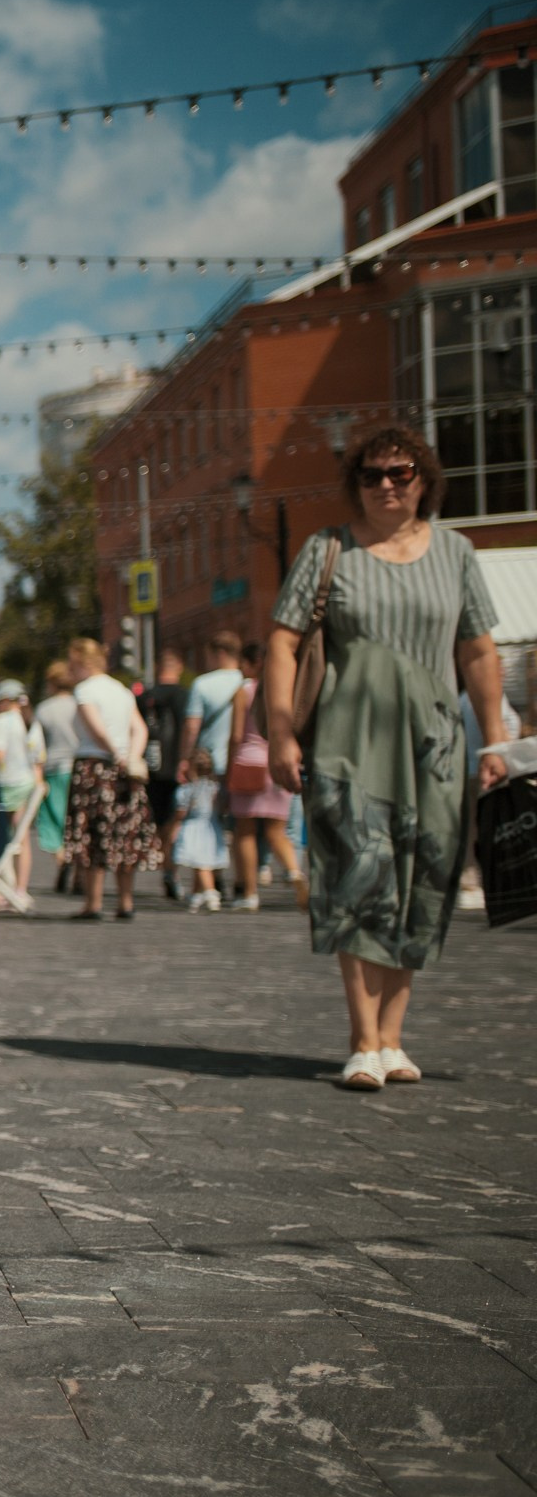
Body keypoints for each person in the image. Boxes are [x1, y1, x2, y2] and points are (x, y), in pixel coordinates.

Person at [263, 425, 507, 1092]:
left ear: (425, 479)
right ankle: (362, 1038)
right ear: (356, 484)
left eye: (401, 473)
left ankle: (394, 1037)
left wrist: (495, 737)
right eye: (372, 475)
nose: (387, 485)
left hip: (434, 746)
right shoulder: (328, 549)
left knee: (426, 879)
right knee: (358, 876)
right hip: (348, 742)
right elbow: (283, 643)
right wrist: (282, 733)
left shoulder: (455, 552)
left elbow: (479, 652)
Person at [63, 636, 156, 919]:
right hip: (125, 771)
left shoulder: (84, 691)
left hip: (94, 767)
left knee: (94, 834)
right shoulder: (122, 691)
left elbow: (97, 730)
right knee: (124, 834)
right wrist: (131, 757)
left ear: (81, 662)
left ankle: (94, 902)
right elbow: (140, 729)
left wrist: (114, 752)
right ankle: (125, 901)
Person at [222, 652, 303, 914]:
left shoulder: (244, 691)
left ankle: (249, 893)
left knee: (244, 832)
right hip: (278, 762)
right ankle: (295, 873)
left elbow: (235, 735)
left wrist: (229, 767)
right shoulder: (288, 691)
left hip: (248, 763)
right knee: (277, 832)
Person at [0, 678, 46, 906]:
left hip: (6, 784)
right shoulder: (31, 722)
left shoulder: (2, 721)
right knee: (22, 840)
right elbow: (38, 759)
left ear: (5, 700)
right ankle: (20, 888)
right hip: (27, 784)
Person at [141, 650, 191, 900]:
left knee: (160, 821)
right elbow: (190, 727)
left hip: (152, 768)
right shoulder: (183, 695)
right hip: (177, 767)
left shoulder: (146, 696)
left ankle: (167, 866)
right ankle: (172, 867)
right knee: (179, 819)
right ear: (178, 667)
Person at [32, 661, 80, 890]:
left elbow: (36, 746)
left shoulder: (44, 709)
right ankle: (81, 873)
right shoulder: (79, 704)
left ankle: (63, 859)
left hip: (53, 769)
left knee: (54, 821)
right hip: (78, 766)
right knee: (79, 822)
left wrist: (37, 775)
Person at [172, 748, 229, 912]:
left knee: (201, 864)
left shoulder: (188, 790)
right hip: (212, 827)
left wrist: (174, 826)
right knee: (202, 861)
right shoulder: (215, 788)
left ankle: (211, 893)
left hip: (194, 828)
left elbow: (180, 812)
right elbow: (223, 808)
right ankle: (196, 895)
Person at [180, 631, 247, 771]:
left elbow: (192, 726)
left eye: (208, 656)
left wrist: (185, 758)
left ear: (220, 654)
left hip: (210, 763)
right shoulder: (247, 683)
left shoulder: (202, 683)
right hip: (242, 762)